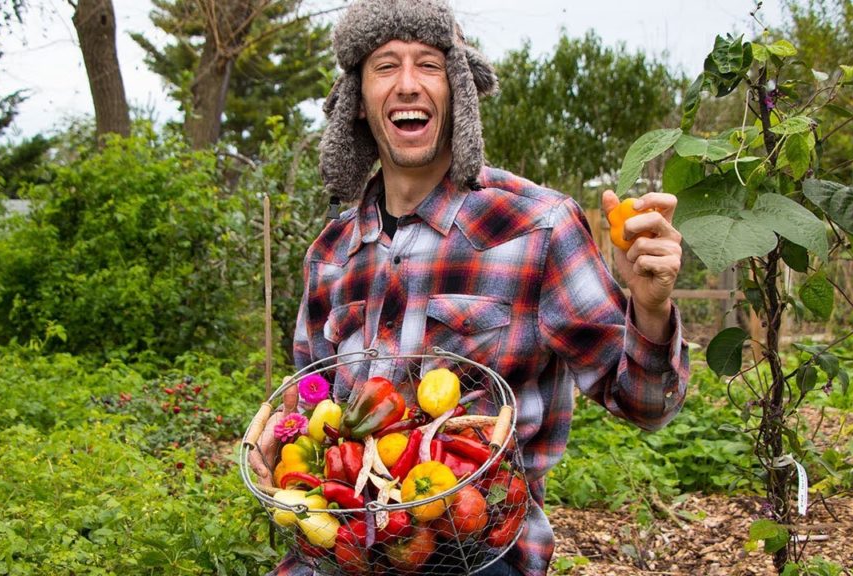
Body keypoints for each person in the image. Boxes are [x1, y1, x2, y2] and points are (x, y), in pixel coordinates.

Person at [251, 1, 689, 574]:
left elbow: (646, 405)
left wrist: (651, 310)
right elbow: (313, 407)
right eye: (385, 66)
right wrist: (278, 440)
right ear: (357, 102)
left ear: (458, 89)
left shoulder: (537, 226)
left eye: (429, 65)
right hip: (344, 553)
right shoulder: (331, 254)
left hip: (478, 553)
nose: (408, 85)